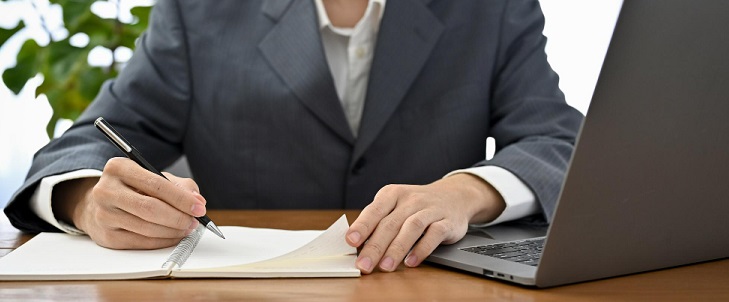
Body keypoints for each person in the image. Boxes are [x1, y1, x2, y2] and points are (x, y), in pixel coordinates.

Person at [4, 0, 583, 275]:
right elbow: (85, 142)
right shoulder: (198, 11)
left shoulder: (492, 9)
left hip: (424, 284)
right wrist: (83, 198)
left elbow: (559, 141)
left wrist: (466, 192)